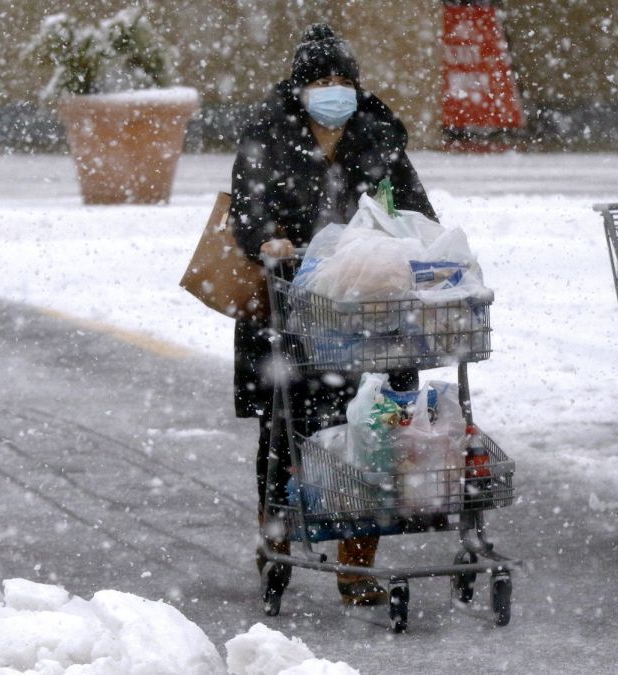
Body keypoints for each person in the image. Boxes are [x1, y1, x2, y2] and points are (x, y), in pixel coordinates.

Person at [229, 23, 435, 607]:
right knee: (288, 429)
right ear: (299, 88)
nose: (334, 90)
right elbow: (247, 212)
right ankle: (277, 542)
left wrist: (416, 251)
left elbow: (417, 212)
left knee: (371, 431)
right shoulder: (267, 139)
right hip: (292, 309)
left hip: (369, 311)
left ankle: (355, 566)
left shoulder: (377, 140)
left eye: (343, 80)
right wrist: (271, 242)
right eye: (322, 80)